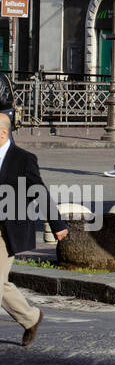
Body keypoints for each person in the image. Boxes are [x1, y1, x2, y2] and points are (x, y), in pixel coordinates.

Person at [0, 110, 68, 346]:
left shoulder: (23, 159)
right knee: (2, 283)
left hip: (7, 230)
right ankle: (30, 318)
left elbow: (39, 191)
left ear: (2, 133)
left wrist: (56, 223)